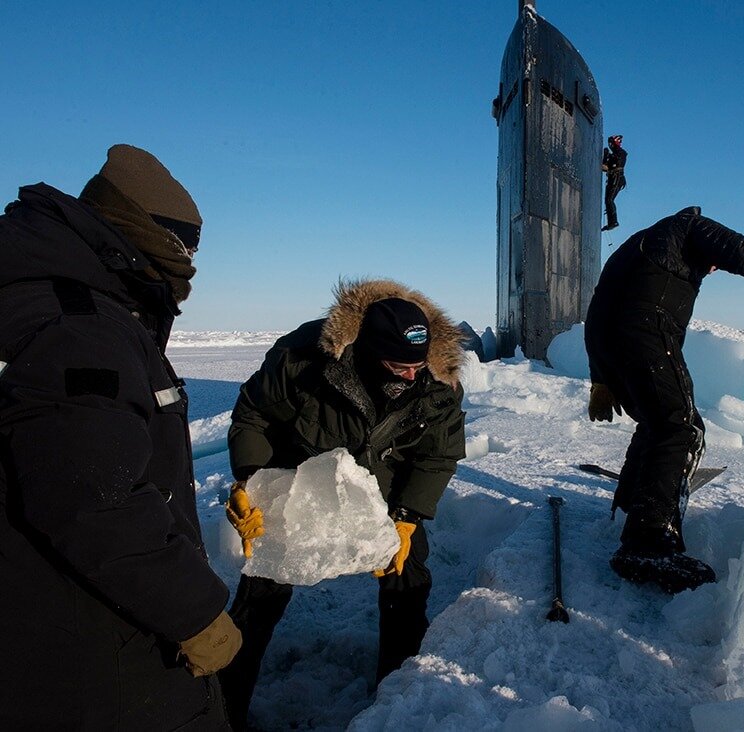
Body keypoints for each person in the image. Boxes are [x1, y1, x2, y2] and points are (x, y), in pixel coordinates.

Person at [0, 145, 241, 729]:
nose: (190, 267)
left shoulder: (57, 302)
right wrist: (194, 611)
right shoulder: (79, 327)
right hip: (91, 643)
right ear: (141, 234)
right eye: (184, 248)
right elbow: (94, 495)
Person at [219, 280, 466, 730]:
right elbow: (252, 413)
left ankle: (396, 695)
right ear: (369, 350)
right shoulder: (305, 363)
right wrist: (250, 480)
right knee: (265, 577)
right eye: (400, 366)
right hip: (302, 468)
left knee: (406, 575)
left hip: (384, 479)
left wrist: (407, 518)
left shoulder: (436, 381)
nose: (412, 375)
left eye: (418, 366)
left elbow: (437, 453)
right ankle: (223, 705)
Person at [584, 206, 744, 593]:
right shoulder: (690, 227)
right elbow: (741, 251)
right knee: (681, 429)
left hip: (613, 338)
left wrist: (600, 378)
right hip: (647, 330)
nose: (714, 269)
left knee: (658, 422)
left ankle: (630, 510)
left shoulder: (638, 247)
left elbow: (599, 308)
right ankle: (648, 541)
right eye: (713, 263)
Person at [601, 134, 628, 231]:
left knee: (609, 200)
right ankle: (611, 222)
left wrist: (607, 157)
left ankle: (613, 222)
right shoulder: (616, 153)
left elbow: (610, 166)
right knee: (608, 200)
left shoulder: (620, 153)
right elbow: (604, 167)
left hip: (616, 178)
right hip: (613, 178)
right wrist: (606, 157)